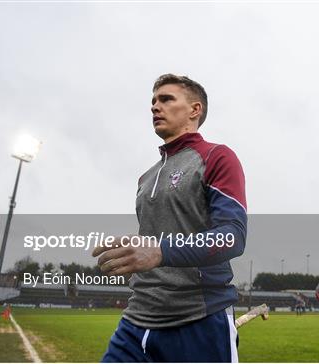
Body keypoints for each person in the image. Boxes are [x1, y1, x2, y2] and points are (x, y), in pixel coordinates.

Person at [93, 74, 247, 362]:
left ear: (194, 109)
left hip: (198, 319)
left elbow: (233, 238)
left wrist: (159, 251)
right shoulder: (145, 177)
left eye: (166, 99)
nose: (155, 106)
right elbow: (153, 244)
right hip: (137, 320)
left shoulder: (217, 157)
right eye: (152, 101)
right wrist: (133, 258)